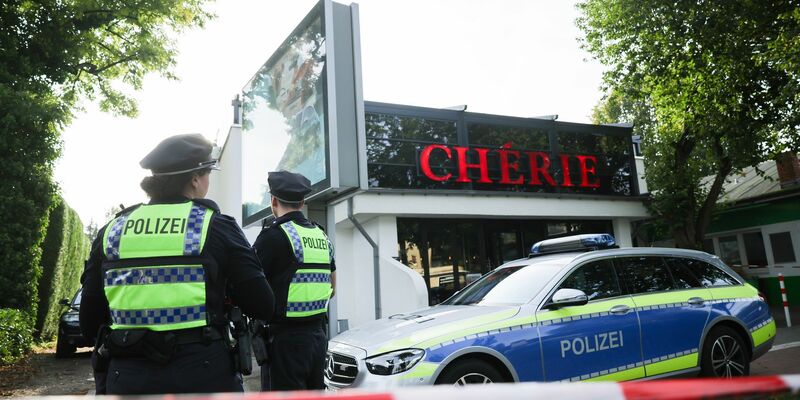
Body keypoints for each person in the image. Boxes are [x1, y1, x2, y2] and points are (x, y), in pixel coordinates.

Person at [79, 133, 275, 394]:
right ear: (195, 180)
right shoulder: (214, 226)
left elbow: (89, 322)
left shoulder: (112, 231)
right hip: (203, 375)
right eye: (207, 174)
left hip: (127, 377)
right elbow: (263, 304)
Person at [253, 171, 335, 391]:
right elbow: (333, 286)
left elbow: (250, 286)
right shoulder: (321, 236)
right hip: (318, 337)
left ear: (273, 201)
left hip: (285, 340)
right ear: (302, 201)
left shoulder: (273, 236)